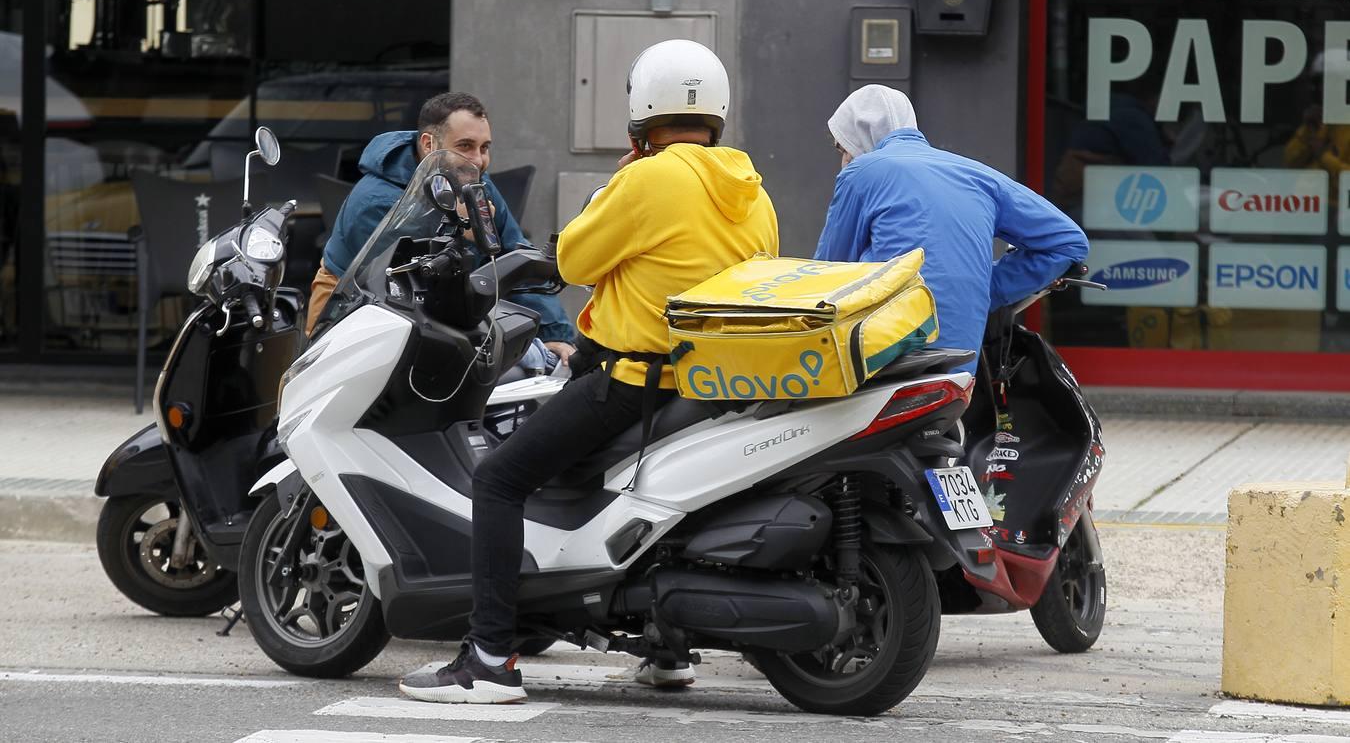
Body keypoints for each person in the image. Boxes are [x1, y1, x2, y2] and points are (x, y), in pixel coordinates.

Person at [398, 40, 779, 704]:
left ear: (642, 112)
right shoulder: (752, 191)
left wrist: (619, 185)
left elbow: (573, 261)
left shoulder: (646, 180)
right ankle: (665, 652)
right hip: (711, 386)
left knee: (497, 479)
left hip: (631, 383)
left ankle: (489, 658)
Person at [815, 85, 1087, 375]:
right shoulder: (978, 174)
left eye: (841, 149)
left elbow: (828, 273)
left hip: (884, 353)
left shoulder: (861, 172)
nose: (842, 161)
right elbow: (1068, 243)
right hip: (959, 364)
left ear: (857, 140)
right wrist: (988, 286)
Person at [307, 92, 575, 362]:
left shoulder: (472, 181)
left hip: (449, 309)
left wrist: (554, 333)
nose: (479, 160)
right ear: (429, 144)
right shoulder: (379, 200)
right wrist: (467, 235)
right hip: (351, 309)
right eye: (465, 146)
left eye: (484, 147)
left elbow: (514, 255)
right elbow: (406, 289)